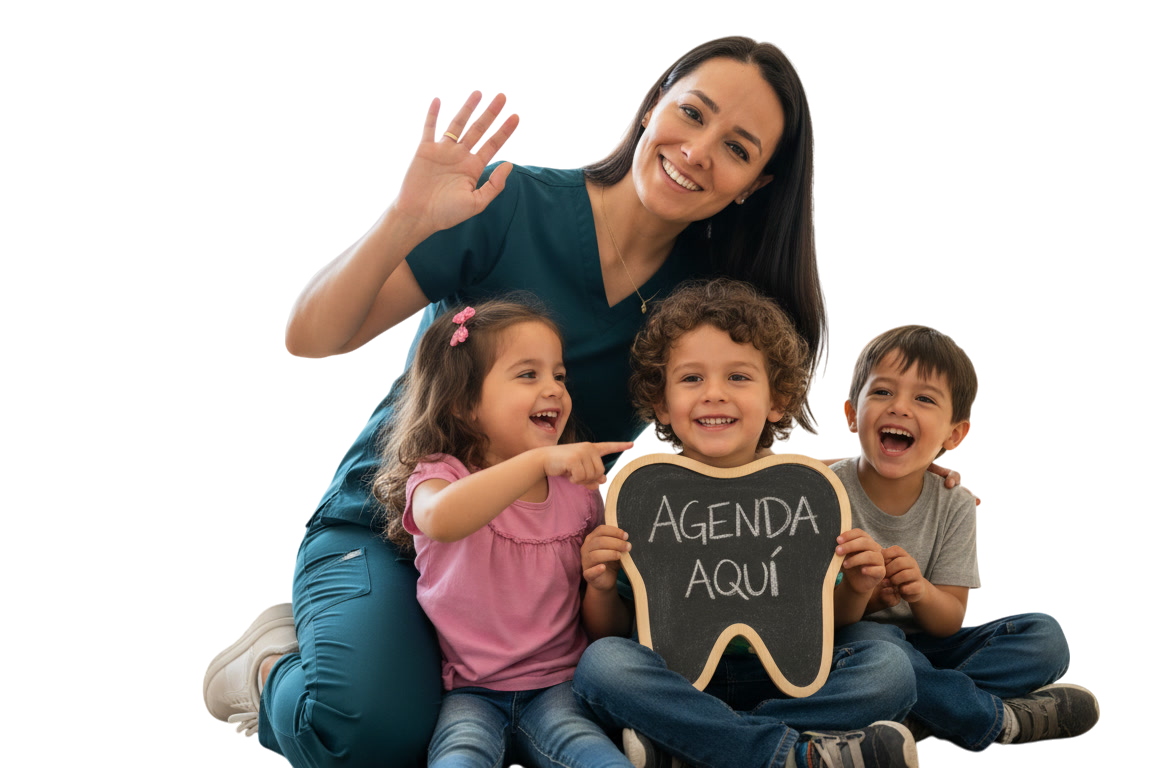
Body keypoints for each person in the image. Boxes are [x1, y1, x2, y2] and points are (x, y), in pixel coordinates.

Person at [202, 36, 956, 766]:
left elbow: (752, 458)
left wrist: (903, 482)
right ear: (655, 103)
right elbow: (309, 336)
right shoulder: (513, 200)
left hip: (542, 549)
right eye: (693, 114)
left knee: (637, 685)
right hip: (391, 520)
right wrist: (407, 214)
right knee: (366, 730)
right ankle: (268, 662)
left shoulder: (715, 297)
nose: (698, 151)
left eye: (737, 147)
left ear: (755, 185)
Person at [573, 278, 922, 768]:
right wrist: (602, 586)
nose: (714, 394)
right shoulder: (643, 493)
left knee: (890, 666)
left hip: (791, 681)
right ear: (661, 403)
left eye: (738, 377)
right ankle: (789, 753)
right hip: (674, 679)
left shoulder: (804, 492)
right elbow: (613, 630)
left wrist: (860, 587)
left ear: (776, 399)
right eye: (691, 379)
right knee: (601, 667)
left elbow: (825, 621)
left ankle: (695, 743)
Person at [369, 296, 633, 766]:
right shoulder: (441, 476)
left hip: (560, 689)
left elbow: (605, 634)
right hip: (470, 694)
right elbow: (440, 520)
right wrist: (538, 460)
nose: (553, 388)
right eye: (529, 374)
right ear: (463, 402)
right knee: (460, 757)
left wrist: (601, 586)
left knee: (597, 757)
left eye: (559, 375)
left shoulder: (580, 495)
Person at [831, 325, 1099, 754]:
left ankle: (915, 713)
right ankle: (994, 720)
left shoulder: (955, 505)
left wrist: (919, 592)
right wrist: (868, 598)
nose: (899, 407)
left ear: (953, 435)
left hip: (934, 652)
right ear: (851, 415)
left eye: (923, 398)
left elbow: (951, 619)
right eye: (882, 392)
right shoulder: (824, 494)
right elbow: (816, 622)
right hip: (862, 652)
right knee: (885, 656)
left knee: (1046, 638)